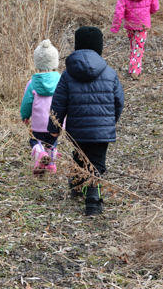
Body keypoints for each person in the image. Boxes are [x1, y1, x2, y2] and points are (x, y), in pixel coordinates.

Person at [48, 27, 124, 216]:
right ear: (99, 48)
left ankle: (76, 183)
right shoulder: (110, 73)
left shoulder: (67, 74)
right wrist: (109, 122)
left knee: (80, 155)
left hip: (77, 130)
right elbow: (119, 101)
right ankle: (93, 203)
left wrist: (54, 127)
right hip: (102, 131)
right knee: (96, 164)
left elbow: (58, 103)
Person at [111, 0, 159, 79]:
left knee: (134, 45)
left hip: (130, 24)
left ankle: (133, 66)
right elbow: (155, 7)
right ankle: (134, 70)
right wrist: (150, 11)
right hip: (143, 25)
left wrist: (115, 26)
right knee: (138, 46)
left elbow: (119, 10)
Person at [20, 39, 61, 175]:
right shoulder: (61, 81)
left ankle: (39, 154)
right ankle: (50, 164)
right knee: (51, 142)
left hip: (38, 122)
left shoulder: (32, 83)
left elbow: (27, 102)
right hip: (55, 121)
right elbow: (65, 100)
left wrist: (25, 115)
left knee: (35, 139)